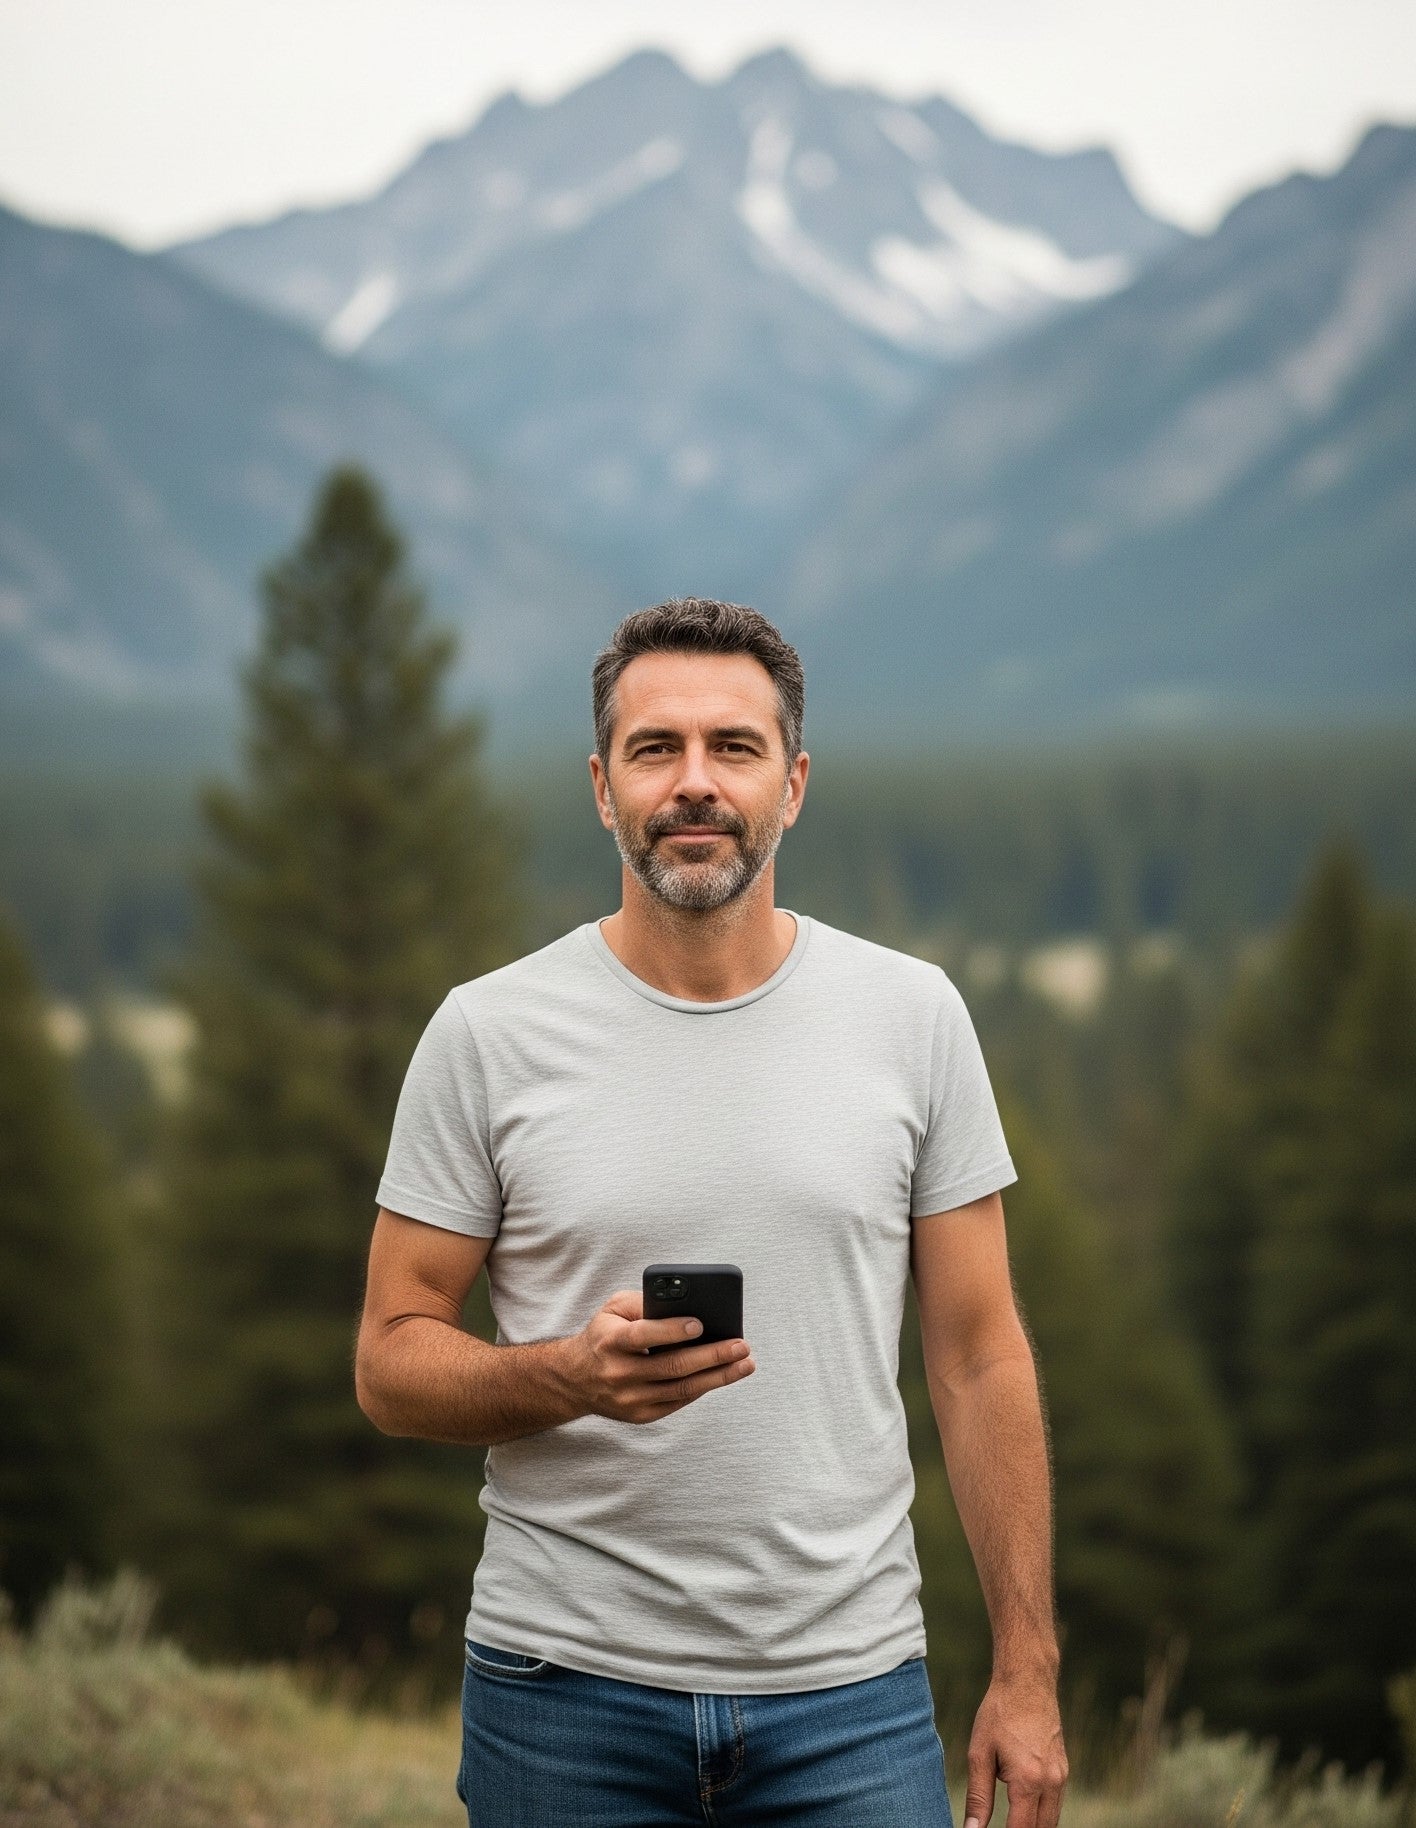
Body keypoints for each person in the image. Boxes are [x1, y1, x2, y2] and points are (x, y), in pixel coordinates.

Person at [355, 598, 1068, 1828]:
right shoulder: (488, 1033)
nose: (695, 783)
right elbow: (387, 1359)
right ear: (601, 785)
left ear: (794, 783)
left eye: (732, 748)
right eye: (655, 749)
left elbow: (978, 1353)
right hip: (559, 1694)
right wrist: (571, 1376)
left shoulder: (914, 1018)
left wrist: (1028, 1670)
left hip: (851, 1700)